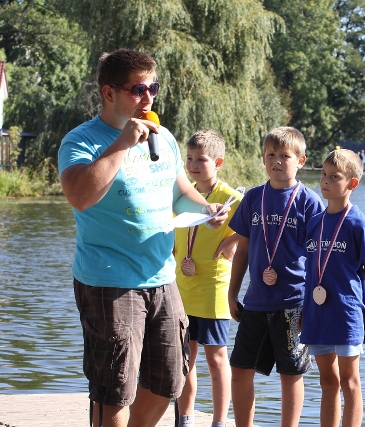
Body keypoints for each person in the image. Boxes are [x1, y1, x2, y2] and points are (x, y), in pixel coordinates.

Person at [58, 49, 229, 427]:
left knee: (170, 380)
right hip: (109, 281)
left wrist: (207, 209)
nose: (148, 97)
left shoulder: (162, 137)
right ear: (109, 93)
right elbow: (80, 196)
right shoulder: (81, 141)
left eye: (153, 87)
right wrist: (122, 143)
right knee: (114, 389)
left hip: (162, 277)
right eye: (138, 89)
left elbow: (180, 191)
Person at [227, 127, 324, 427]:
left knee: (290, 374)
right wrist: (231, 294)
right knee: (240, 370)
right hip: (256, 302)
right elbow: (242, 250)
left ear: (301, 160)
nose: (277, 161)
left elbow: (318, 261)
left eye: (285, 156)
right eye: (271, 155)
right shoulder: (253, 198)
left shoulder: (309, 202)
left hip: (293, 303)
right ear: (263, 159)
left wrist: (311, 306)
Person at [300, 149, 365, 427]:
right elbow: (310, 270)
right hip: (317, 313)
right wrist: (305, 310)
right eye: (323, 174)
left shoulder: (358, 224)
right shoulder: (314, 223)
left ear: (352, 183)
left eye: (334, 177)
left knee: (349, 381)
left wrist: (341, 281)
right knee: (327, 381)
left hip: (346, 313)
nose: (325, 181)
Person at [174, 129, 242, 427]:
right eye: (189, 158)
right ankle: (185, 419)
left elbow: (253, 230)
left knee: (215, 359)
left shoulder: (232, 198)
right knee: (184, 359)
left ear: (218, 162)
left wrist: (232, 240)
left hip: (214, 289)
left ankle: (219, 421)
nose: (193, 165)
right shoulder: (183, 195)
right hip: (181, 287)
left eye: (201, 159)